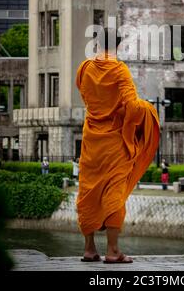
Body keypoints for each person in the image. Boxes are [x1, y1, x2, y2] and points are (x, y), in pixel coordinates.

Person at [76, 28, 160, 264]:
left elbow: (84, 93)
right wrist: (142, 112)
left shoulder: (84, 68)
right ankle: (113, 251)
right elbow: (133, 107)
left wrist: (100, 110)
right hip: (114, 141)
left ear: (96, 44)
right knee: (114, 192)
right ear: (117, 46)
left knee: (88, 191)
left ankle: (89, 249)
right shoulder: (119, 69)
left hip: (92, 137)